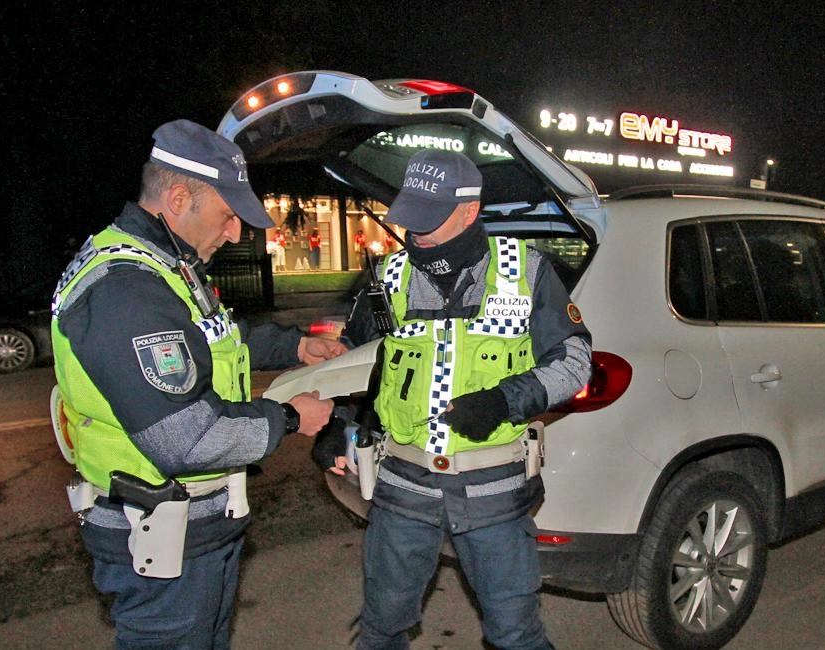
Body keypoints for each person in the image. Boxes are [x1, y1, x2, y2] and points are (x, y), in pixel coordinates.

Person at [51, 119, 345, 650]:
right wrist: (292, 417)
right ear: (180, 196)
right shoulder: (127, 289)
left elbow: (210, 344)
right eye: (228, 215)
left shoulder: (170, 268)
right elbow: (185, 439)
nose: (235, 233)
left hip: (196, 526)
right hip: (160, 535)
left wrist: (295, 347)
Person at [316, 150, 592, 650]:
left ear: (469, 210)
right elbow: (357, 370)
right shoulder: (390, 278)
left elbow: (574, 362)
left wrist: (505, 400)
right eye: (412, 215)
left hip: (493, 492)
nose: (416, 233)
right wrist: (338, 425)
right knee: (381, 626)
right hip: (402, 488)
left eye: (431, 217)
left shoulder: (526, 272)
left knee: (516, 633)